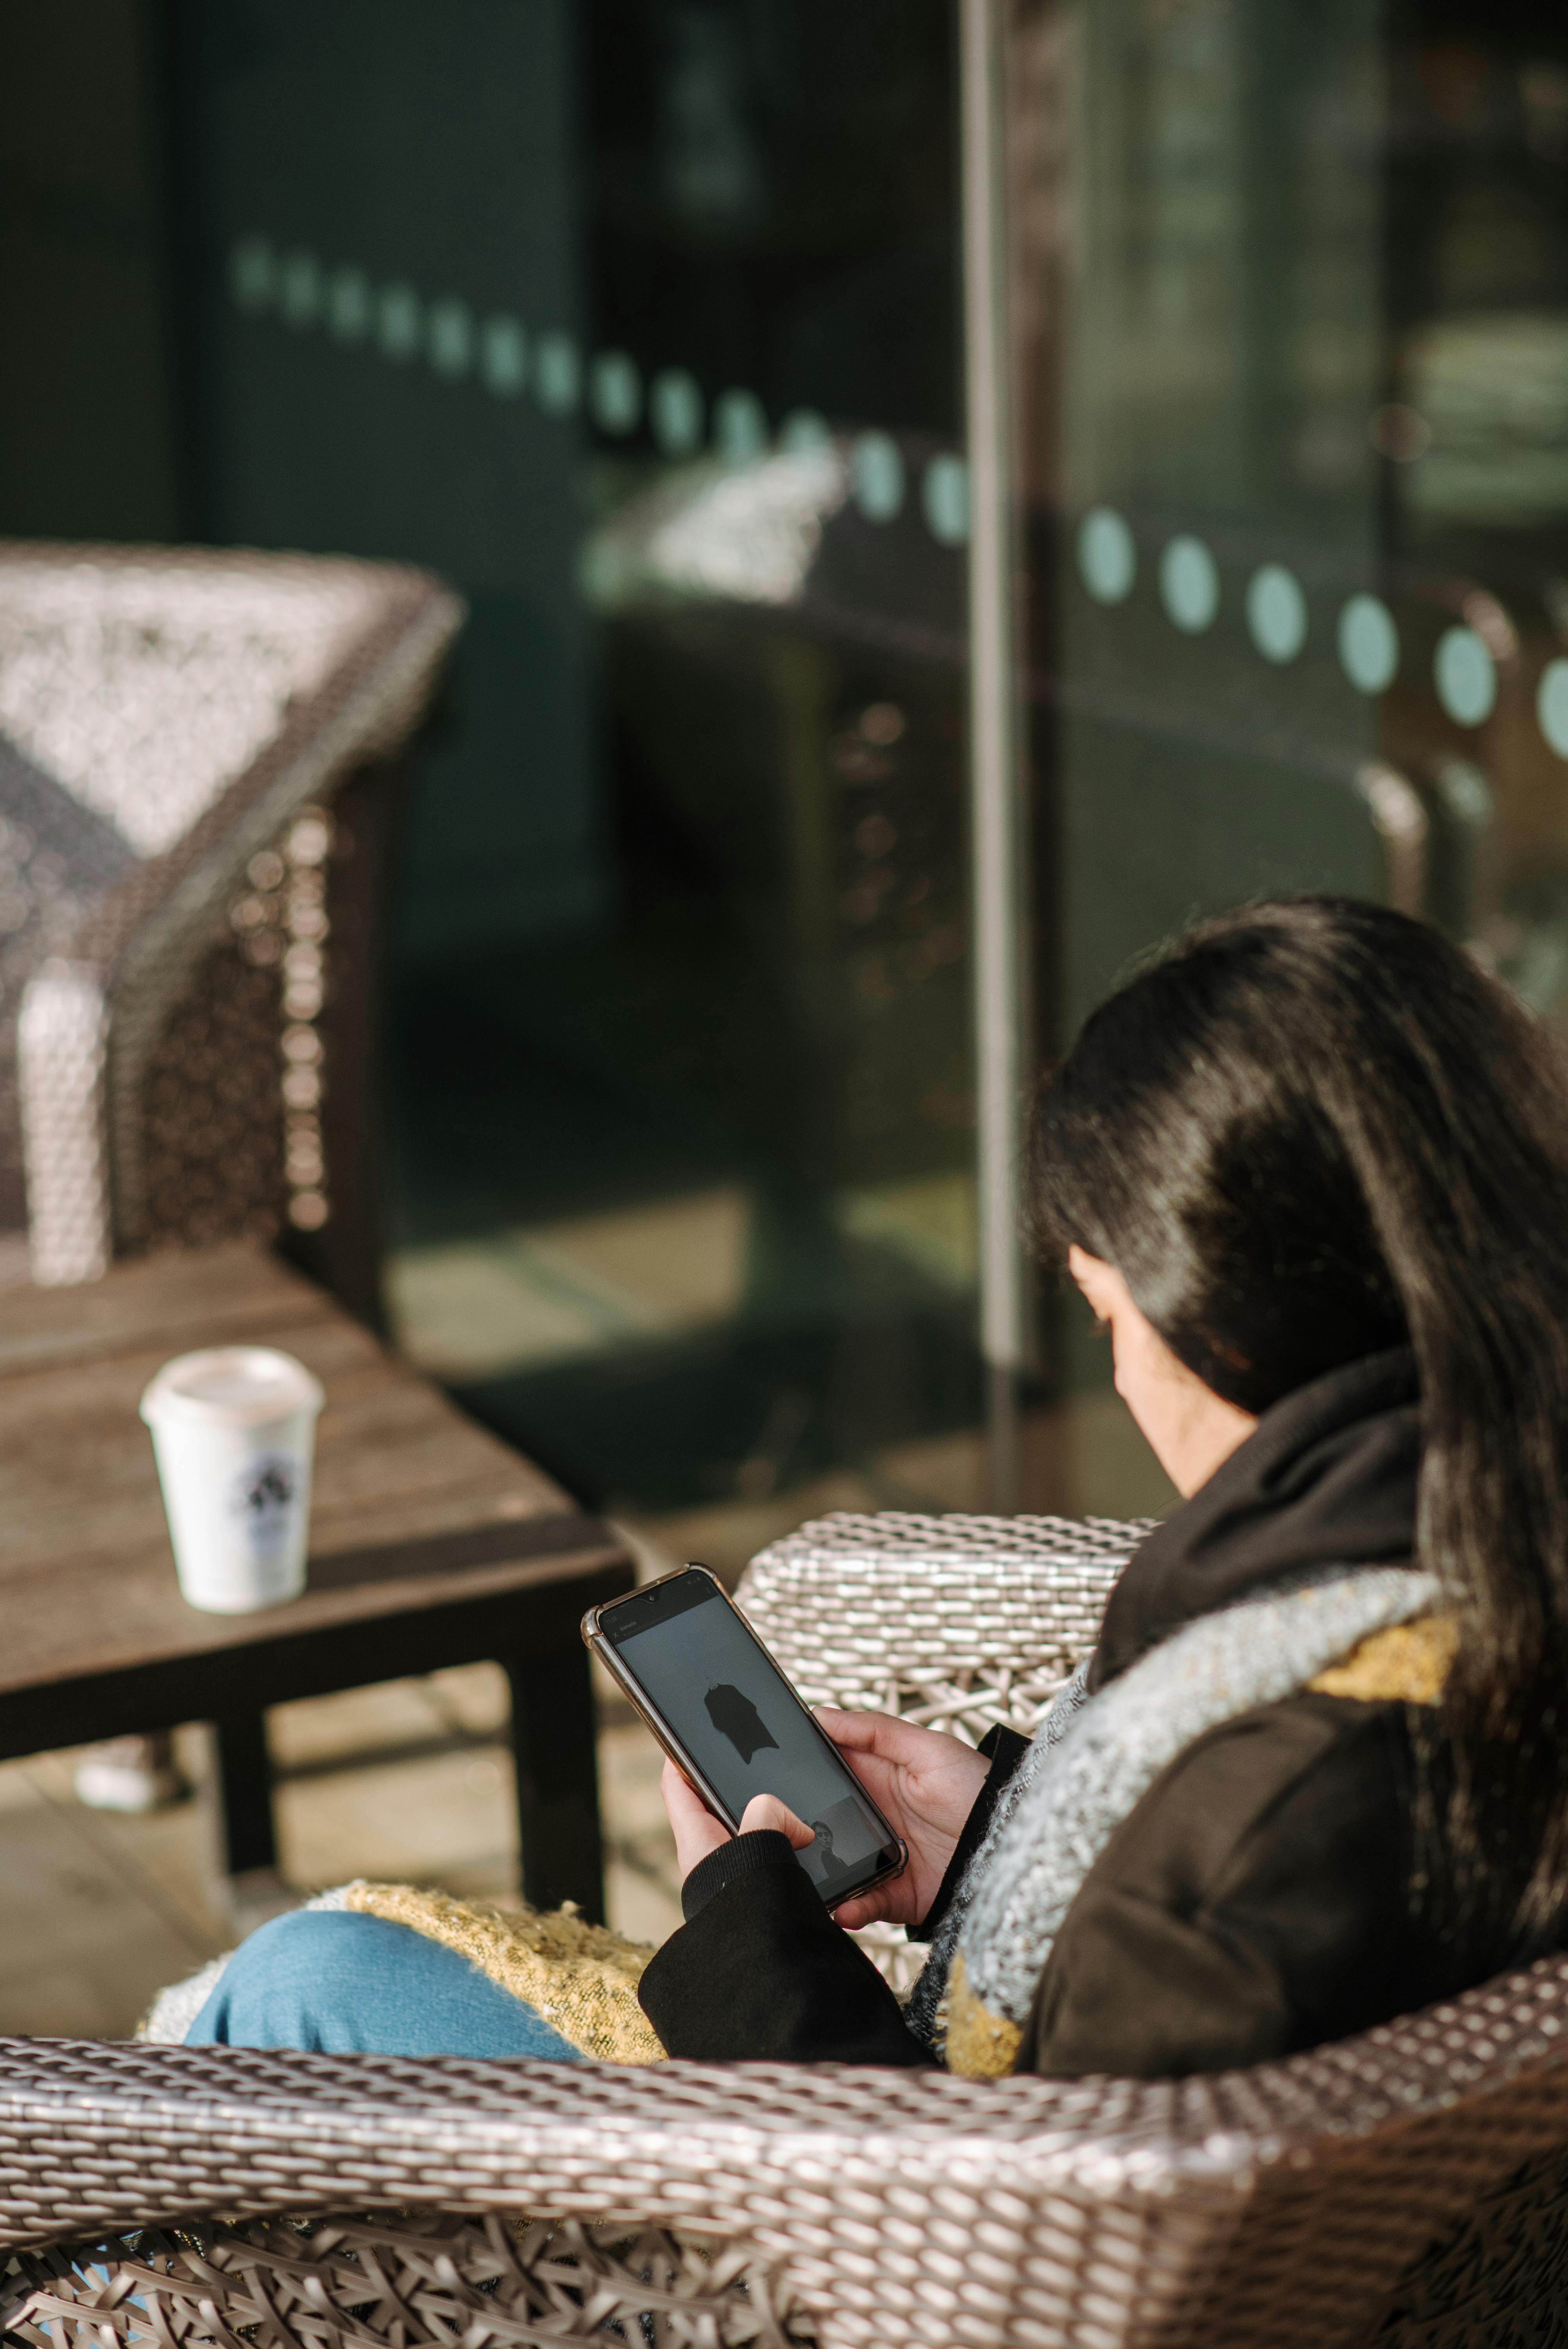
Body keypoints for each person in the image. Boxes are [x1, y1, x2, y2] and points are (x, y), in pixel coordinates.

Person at [189, 897, 1568, 2078]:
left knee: (296, 1986)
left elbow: (951, 2253)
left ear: (1230, 1324)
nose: (1122, 1374)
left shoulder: (1270, 1824)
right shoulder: (1488, 1593)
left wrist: (742, 1927)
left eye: (1106, 1317)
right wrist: (992, 1853)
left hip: (792, 2241)